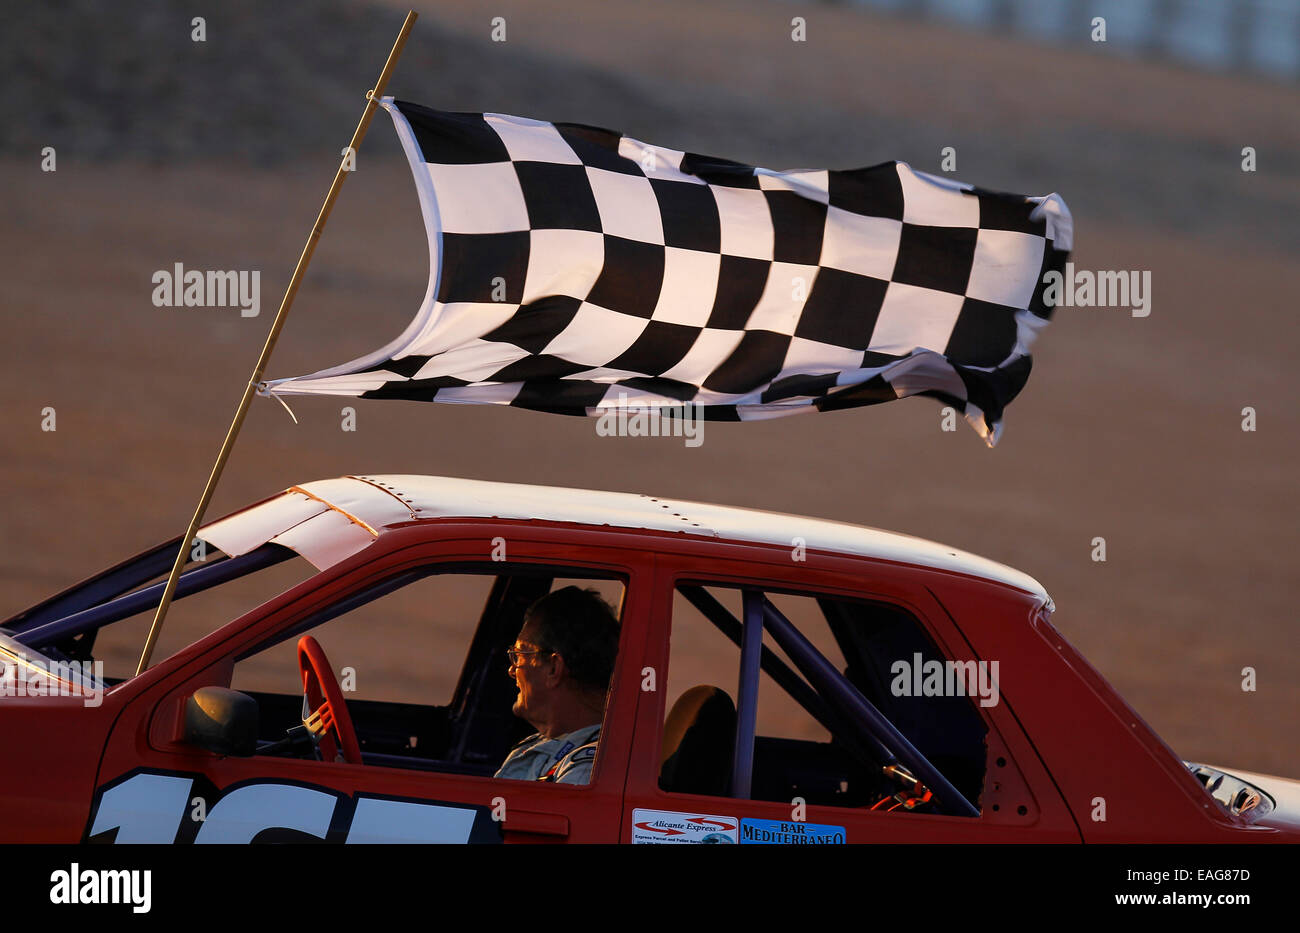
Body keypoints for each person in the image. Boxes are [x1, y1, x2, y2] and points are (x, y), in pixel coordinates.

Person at [494, 586, 620, 784]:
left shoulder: (587, 771)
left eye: (518, 656)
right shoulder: (540, 748)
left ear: (553, 668)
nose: (512, 670)